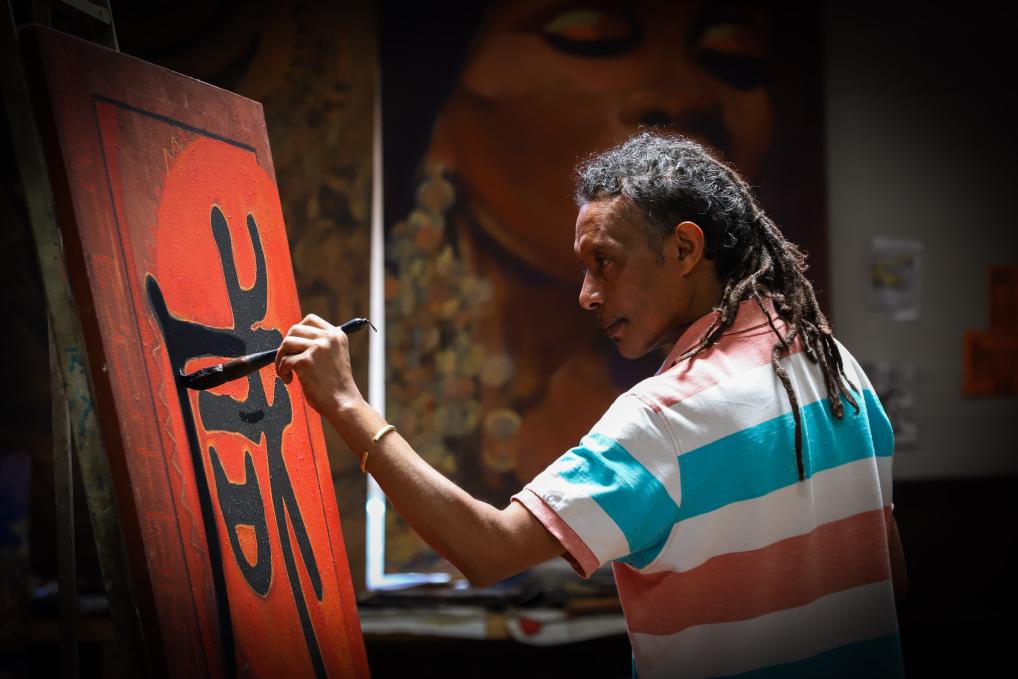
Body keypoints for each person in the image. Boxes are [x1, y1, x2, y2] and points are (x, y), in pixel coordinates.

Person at [277, 132, 906, 677]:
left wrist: (346, 404)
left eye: (605, 263)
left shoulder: (666, 417)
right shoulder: (833, 364)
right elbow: (889, 572)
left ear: (685, 250)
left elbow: (488, 550)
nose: (587, 295)